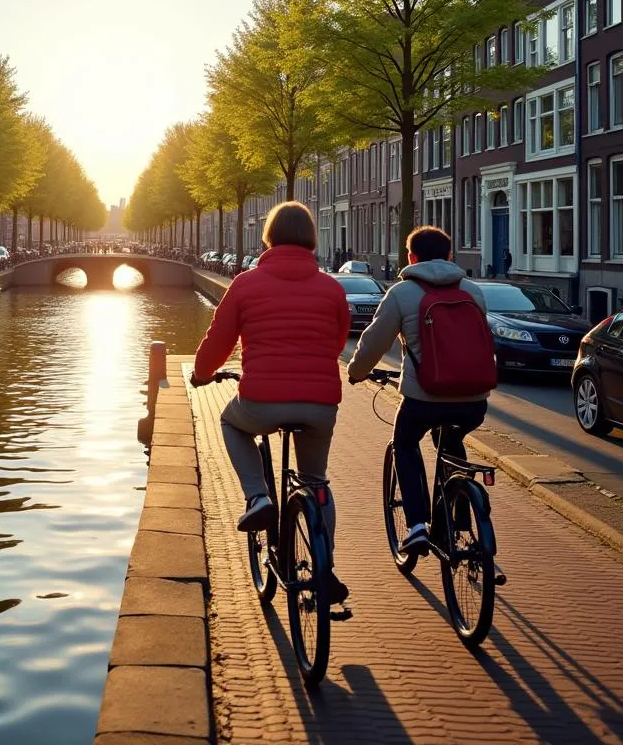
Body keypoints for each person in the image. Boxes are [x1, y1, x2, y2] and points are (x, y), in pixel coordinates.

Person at [190, 201, 352, 601]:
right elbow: (335, 344)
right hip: (320, 403)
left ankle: (257, 495)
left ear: (268, 236)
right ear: (312, 238)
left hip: (262, 400)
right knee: (316, 483)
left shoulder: (245, 284)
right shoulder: (332, 288)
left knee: (230, 422)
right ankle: (324, 565)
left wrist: (201, 373)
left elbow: (218, 340)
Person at [347, 226, 490, 555]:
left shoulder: (401, 292)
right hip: (473, 401)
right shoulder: (473, 291)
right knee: (452, 439)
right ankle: (461, 516)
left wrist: (356, 373)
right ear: (450, 256)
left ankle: (416, 526)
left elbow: (373, 343)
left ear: (411, 257)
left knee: (405, 442)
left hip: (424, 397)